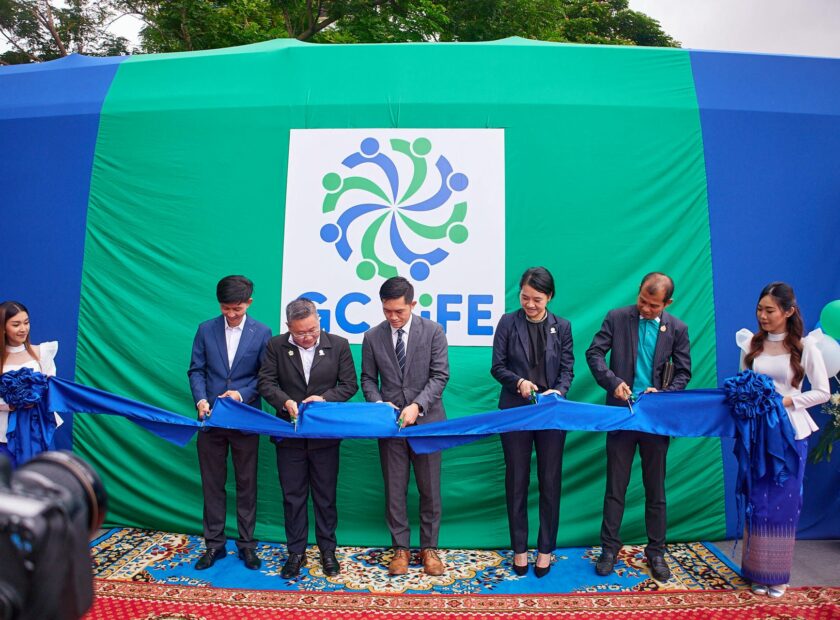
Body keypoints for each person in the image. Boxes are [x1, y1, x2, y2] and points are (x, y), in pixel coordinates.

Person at [585, 272, 691, 582]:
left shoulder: (678, 329)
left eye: (653, 305)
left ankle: (656, 552)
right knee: (615, 487)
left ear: (667, 303)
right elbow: (594, 353)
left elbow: (684, 373)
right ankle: (609, 549)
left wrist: (665, 393)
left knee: (655, 489)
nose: (645, 308)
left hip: (655, 420)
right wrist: (613, 382)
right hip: (621, 415)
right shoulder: (617, 317)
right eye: (642, 300)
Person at [736, 282, 829, 598]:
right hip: (757, 433)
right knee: (757, 499)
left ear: (788, 311)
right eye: (759, 310)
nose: (762, 316)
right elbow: (742, 385)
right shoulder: (750, 345)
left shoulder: (805, 347)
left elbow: (822, 392)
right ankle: (756, 571)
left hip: (790, 433)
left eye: (770, 311)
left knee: (784, 501)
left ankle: (777, 576)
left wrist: (786, 401)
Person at [258, 298, 358, 579]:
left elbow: (349, 385)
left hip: (324, 436)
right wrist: (285, 401)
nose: (308, 337)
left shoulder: (338, 345)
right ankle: (295, 552)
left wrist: (324, 399)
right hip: (289, 435)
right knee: (293, 496)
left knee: (325, 496)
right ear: (288, 327)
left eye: (313, 330)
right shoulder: (276, 346)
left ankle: (328, 550)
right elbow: (266, 382)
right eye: (300, 332)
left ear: (319, 321)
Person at [361, 276, 450, 576]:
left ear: (413, 304)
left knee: (430, 490)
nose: (393, 317)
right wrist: (378, 404)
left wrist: (417, 406)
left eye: (399, 311)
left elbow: (440, 375)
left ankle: (429, 548)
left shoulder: (434, 331)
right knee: (394, 489)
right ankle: (400, 548)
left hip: (427, 425)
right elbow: (368, 379)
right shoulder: (372, 337)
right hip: (390, 427)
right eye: (387, 310)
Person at [490, 267, 574, 578]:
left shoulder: (562, 327)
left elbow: (567, 369)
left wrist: (559, 391)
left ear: (549, 297)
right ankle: (520, 549)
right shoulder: (507, 322)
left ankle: (546, 550)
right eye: (525, 297)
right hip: (515, 411)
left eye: (537, 299)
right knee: (517, 480)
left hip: (551, 414)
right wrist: (519, 382)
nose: (530, 304)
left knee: (550, 481)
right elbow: (497, 366)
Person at [188, 275, 272, 571]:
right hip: (210, 420)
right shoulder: (205, 329)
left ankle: (247, 545)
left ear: (249, 303)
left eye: (237, 308)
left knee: (246, 483)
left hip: (245, 420)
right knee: (212, 483)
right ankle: (214, 544)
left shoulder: (262, 332)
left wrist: (241, 394)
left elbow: (265, 377)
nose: (231, 314)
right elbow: (196, 370)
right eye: (226, 308)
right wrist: (201, 400)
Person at [0, 301, 58, 467]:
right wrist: (11, 404)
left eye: (26, 322)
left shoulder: (42, 353)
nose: (23, 329)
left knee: (37, 476)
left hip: (36, 430)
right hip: (3, 433)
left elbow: (51, 390)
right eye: (16, 324)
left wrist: (34, 397)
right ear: (3, 328)